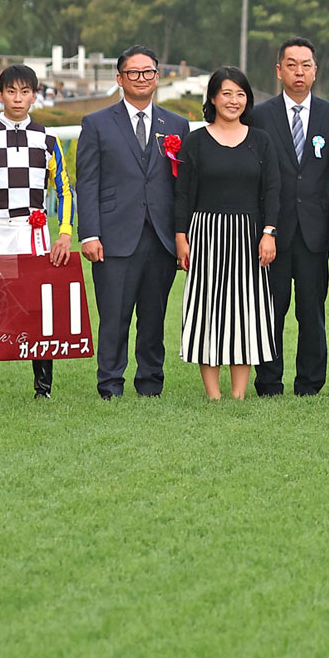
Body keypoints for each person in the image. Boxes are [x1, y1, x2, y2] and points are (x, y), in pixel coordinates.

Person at [0, 64, 76, 400]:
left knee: (38, 307)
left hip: (33, 232)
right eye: (11, 91)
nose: (18, 98)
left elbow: (65, 190)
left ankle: (43, 390)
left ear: (34, 96)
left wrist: (65, 232)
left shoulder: (48, 138)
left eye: (25, 92)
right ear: (0, 95)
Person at [77, 46, 188, 399]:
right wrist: (89, 233)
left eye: (148, 72)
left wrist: (182, 236)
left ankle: (151, 382)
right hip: (113, 235)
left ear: (157, 77)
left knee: (154, 316)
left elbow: (182, 186)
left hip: (161, 236)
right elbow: (87, 182)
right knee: (114, 316)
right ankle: (110, 383)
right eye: (133, 72)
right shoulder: (96, 123)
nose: (142, 78)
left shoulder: (176, 125)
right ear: (120, 78)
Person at [245, 37, 329, 396]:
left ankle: (310, 383)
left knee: (312, 312)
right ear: (279, 71)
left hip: (315, 233)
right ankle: (268, 381)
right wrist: (264, 228)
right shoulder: (259, 116)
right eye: (291, 65)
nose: (299, 72)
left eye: (306, 65)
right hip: (272, 233)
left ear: (315, 71)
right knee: (270, 311)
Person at [174, 67, 280, 401]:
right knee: (208, 309)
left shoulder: (260, 141)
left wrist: (269, 232)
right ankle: (213, 395)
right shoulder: (196, 141)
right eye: (226, 93)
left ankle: (238, 395)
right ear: (213, 98)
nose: (233, 101)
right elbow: (182, 195)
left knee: (245, 311)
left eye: (240, 94)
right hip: (205, 234)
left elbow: (272, 190)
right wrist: (181, 237)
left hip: (249, 236)